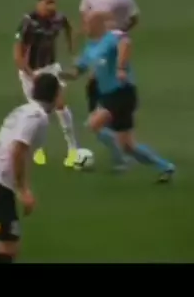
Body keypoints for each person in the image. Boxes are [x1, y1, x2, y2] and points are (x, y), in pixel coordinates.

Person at [62, 13, 175, 183]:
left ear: (97, 24)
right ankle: (165, 167)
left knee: (93, 124)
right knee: (129, 146)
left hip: (122, 91)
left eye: (86, 24)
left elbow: (126, 43)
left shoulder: (112, 37)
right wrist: (60, 74)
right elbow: (77, 71)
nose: (84, 28)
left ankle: (121, 160)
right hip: (108, 95)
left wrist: (121, 68)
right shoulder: (89, 47)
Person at [0, 72, 61, 264]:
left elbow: (22, 154)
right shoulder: (36, 116)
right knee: (8, 249)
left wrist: (24, 187)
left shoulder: (22, 110)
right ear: (55, 95)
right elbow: (18, 149)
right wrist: (22, 190)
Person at [13, 0, 79, 168]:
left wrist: (73, 53)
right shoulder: (28, 22)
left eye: (54, 2)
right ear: (39, 2)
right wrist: (30, 74)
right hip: (31, 72)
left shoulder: (59, 18)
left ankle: (73, 148)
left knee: (60, 105)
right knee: (39, 113)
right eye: (48, 2)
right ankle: (38, 149)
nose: (52, 7)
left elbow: (69, 28)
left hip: (51, 68)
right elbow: (17, 54)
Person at [79, 0, 139, 114]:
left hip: (116, 41)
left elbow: (134, 16)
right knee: (94, 74)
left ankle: (115, 106)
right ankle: (95, 107)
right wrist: (90, 31)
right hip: (98, 40)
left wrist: (122, 31)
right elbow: (85, 15)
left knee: (114, 72)